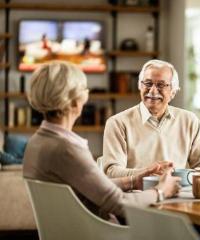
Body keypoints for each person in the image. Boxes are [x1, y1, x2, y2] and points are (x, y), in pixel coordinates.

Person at [23, 61, 181, 222]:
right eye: (83, 90)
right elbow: (120, 204)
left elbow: (92, 187)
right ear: (74, 101)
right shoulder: (67, 150)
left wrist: (134, 180)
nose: (86, 94)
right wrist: (161, 191)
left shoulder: (36, 142)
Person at [98, 59, 200, 178]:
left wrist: (180, 178)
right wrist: (147, 173)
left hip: (177, 195)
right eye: (148, 83)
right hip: (135, 196)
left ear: (173, 92)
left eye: (161, 85)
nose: (153, 90)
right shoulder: (117, 123)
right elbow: (112, 173)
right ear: (140, 86)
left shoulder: (189, 120)